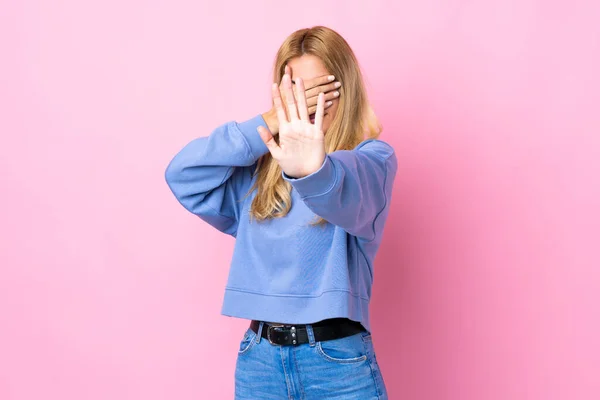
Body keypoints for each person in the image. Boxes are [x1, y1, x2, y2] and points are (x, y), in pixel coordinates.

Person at [165, 26, 396, 400]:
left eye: (319, 92)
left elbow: (343, 190)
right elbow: (183, 174)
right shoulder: (257, 177)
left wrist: (312, 168)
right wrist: (269, 123)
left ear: (345, 91)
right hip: (260, 363)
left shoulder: (372, 161)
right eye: (295, 94)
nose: (306, 107)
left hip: (335, 364)